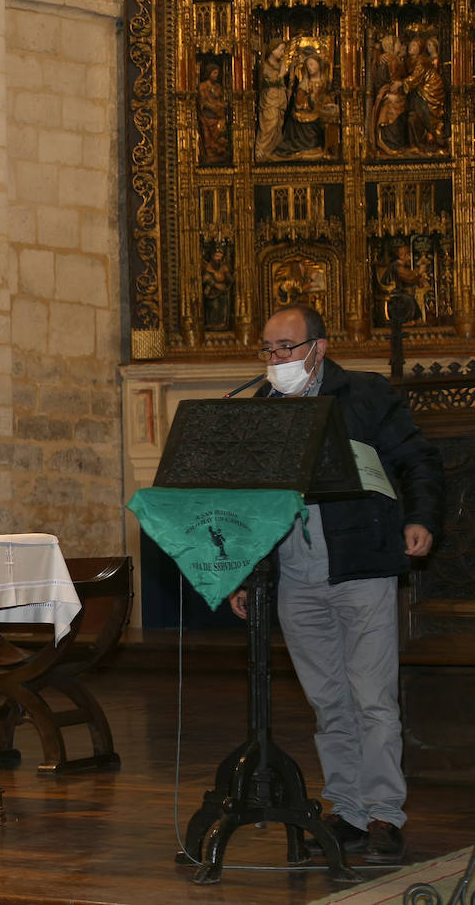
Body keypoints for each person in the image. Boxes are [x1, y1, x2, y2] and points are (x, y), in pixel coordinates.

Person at [228, 305, 443, 864]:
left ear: (319, 349)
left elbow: (419, 460)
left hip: (362, 565)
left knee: (372, 699)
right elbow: (252, 502)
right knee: (329, 703)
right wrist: (248, 573)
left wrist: (420, 519)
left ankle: (383, 814)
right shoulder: (263, 409)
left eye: (286, 348)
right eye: (267, 349)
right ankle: (346, 809)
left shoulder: (366, 395)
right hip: (296, 577)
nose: (275, 360)